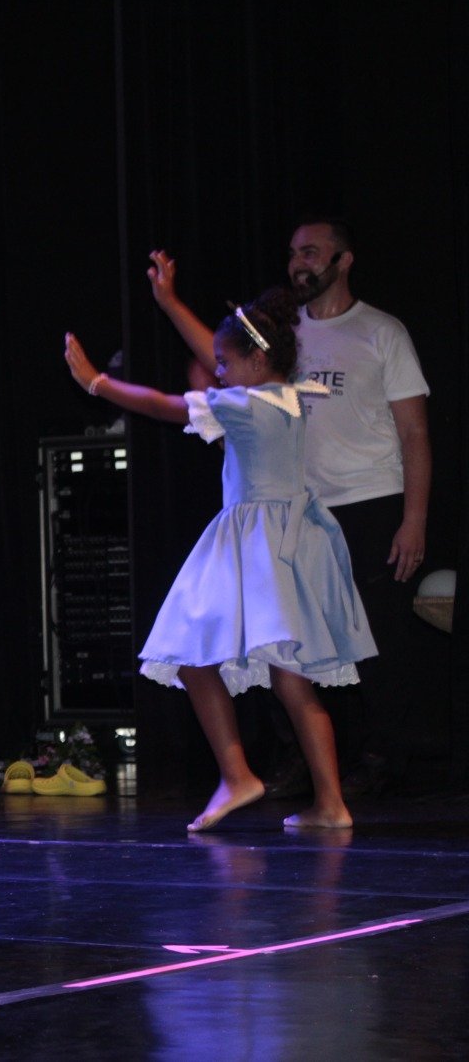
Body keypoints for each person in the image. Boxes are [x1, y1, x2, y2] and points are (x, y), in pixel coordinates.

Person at [63, 289, 375, 831]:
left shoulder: (245, 406)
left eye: (225, 364)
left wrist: (97, 382)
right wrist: (169, 302)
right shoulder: (289, 396)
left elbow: (163, 405)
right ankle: (330, 802)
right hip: (288, 541)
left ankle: (237, 775)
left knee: (189, 650)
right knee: (290, 680)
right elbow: (226, 355)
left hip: (255, 542)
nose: (219, 372)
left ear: (255, 360)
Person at [146, 224, 431, 795]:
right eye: (294, 253)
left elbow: (415, 432)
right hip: (297, 509)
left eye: (311, 253)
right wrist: (171, 302)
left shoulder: (380, 332)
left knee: (368, 642)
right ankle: (305, 768)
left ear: (343, 261)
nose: (299, 263)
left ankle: (381, 762)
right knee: (285, 645)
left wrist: (414, 518)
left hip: (367, 500)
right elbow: (223, 363)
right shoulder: (281, 338)